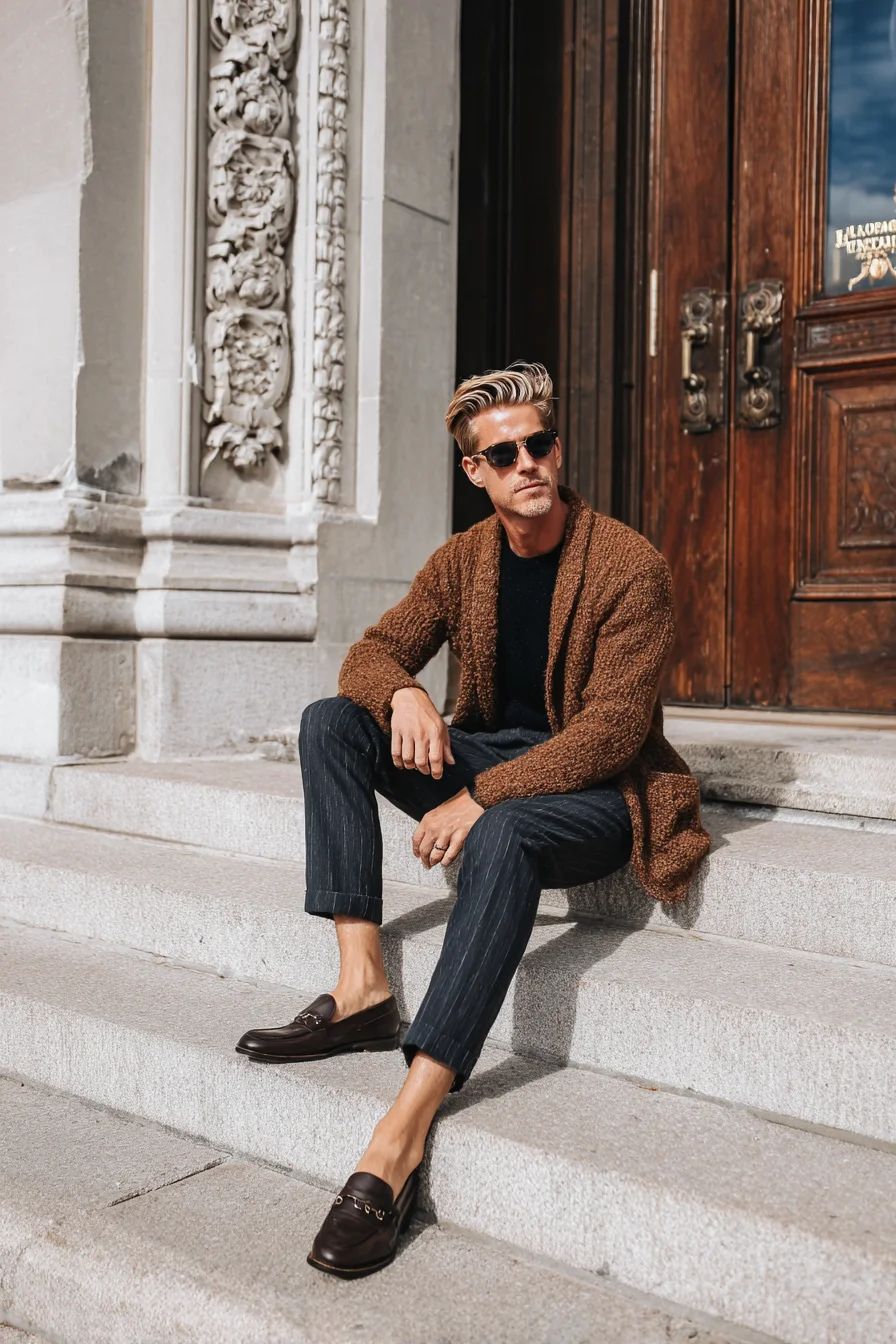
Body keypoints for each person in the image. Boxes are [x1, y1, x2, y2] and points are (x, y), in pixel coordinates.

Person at [236, 363, 711, 1278]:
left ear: (557, 450)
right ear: (475, 471)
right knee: (332, 722)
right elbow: (370, 654)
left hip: (597, 794)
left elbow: (613, 732)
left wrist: (482, 796)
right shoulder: (463, 561)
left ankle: (402, 1132)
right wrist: (406, 693)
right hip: (492, 760)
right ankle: (363, 986)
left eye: (541, 444)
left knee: (505, 830)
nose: (528, 463)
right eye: (505, 454)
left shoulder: (629, 566)